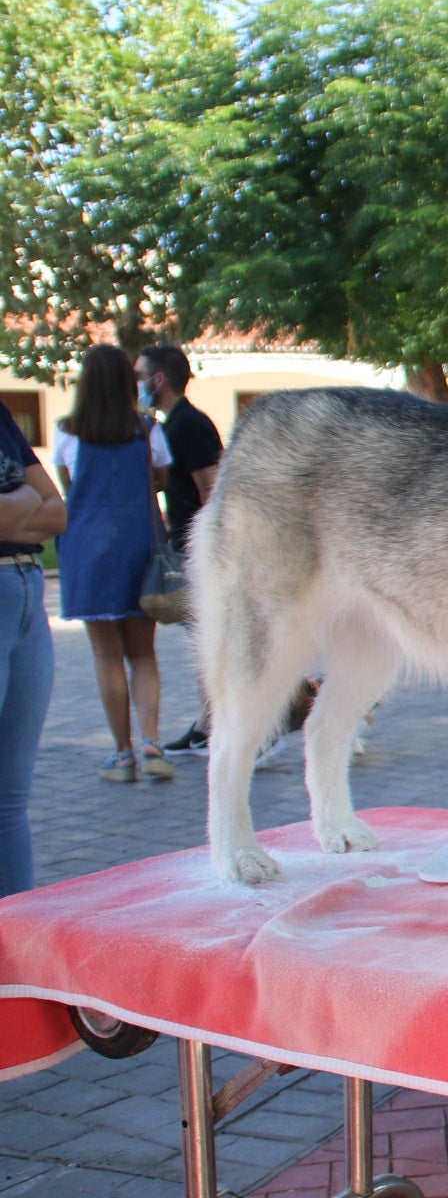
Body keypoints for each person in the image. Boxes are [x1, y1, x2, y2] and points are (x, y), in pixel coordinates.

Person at [53, 344, 177, 783]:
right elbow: (160, 478)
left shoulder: (67, 432)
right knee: (143, 651)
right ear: (128, 382)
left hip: (86, 549)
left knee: (106, 654)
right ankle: (152, 742)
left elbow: (69, 485)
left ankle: (123, 756)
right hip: (137, 546)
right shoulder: (147, 429)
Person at [137, 344, 222, 757]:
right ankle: (207, 723)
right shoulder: (171, 424)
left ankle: (226, 726)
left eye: (139, 376)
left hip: (200, 550)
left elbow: (212, 488)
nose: (135, 384)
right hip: (187, 545)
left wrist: (210, 550)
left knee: (212, 641)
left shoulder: (189, 425)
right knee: (204, 641)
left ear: (158, 380)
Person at [0, 405, 66, 896]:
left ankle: (12, 930)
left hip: (26, 590)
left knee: (10, 798)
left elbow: (57, 510)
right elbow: (39, 500)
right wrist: (26, 496)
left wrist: (17, 506)